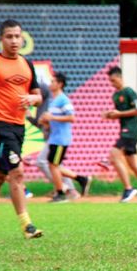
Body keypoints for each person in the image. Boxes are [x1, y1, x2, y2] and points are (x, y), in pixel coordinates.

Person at [0, 19, 43, 239]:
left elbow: (38, 96)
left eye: (17, 36)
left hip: (19, 127)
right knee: (17, 172)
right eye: (9, 36)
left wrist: (32, 97)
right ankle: (27, 225)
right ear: (1, 39)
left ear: (23, 38)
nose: (13, 40)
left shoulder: (27, 65)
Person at [102, 66, 137, 202]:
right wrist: (110, 115)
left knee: (114, 154)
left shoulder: (129, 92)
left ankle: (128, 188)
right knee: (133, 164)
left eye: (114, 80)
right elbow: (120, 114)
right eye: (110, 81)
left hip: (131, 130)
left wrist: (119, 114)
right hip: (124, 130)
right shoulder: (115, 96)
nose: (112, 84)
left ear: (121, 78)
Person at [38, 72, 92, 202]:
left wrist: (52, 117)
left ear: (60, 84)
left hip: (61, 139)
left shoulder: (63, 99)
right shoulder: (53, 101)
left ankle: (61, 193)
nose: (50, 84)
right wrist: (45, 122)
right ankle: (80, 179)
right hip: (54, 137)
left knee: (53, 165)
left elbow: (72, 117)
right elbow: (54, 122)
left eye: (53, 82)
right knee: (53, 165)